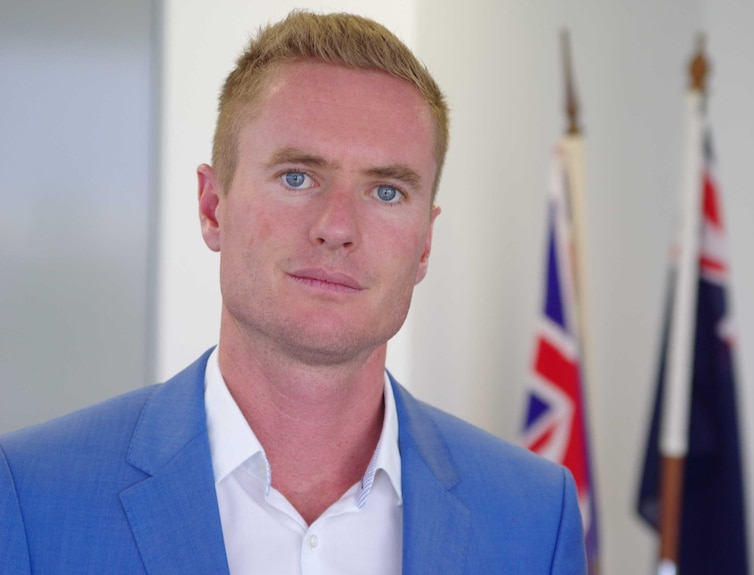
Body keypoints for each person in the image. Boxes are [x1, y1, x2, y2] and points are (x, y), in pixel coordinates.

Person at [0, 11, 586, 574]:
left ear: (425, 243)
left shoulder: (534, 516)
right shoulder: (31, 494)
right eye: (297, 177)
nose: (337, 227)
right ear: (212, 208)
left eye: (386, 192)